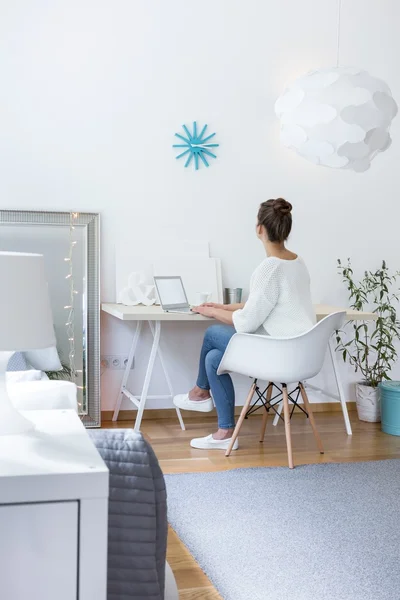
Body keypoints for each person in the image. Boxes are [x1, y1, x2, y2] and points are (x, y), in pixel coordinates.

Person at [173, 198, 316, 450]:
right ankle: (224, 432)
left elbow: (247, 324)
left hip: (279, 356)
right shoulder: (297, 262)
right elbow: (266, 304)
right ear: (286, 229)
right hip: (301, 354)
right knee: (214, 359)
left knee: (212, 332)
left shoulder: (268, 267)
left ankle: (199, 392)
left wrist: (211, 313)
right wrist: (223, 307)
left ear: (259, 229)